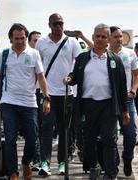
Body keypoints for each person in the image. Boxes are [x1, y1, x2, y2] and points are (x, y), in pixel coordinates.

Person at [64, 23, 129, 180]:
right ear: (92, 38)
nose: (99, 39)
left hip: (108, 106)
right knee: (88, 141)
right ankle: (94, 167)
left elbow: (121, 87)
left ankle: (111, 173)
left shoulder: (116, 60)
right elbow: (75, 76)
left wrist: (125, 110)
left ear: (108, 40)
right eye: (97, 36)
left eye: (103, 37)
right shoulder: (82, 58)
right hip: (88, 105)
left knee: (109, 140)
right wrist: (69, 79)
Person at [0, 23, 50, 180]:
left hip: (29, 103)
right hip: (8, 102)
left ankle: (25, 163)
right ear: (11, 38)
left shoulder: (34, 53)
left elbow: (41, 77)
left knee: (32, 139)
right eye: (16, 38)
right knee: (10, 138)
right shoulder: (4, 54)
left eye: (23, 38)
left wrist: (46, 98)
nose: (20, 41)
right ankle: (13, 172)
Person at [35, 13, 81, 176]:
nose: (58, 27)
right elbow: (36, 68)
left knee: (64, 130)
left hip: (67, 94)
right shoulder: (41, 43)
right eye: (55, 24)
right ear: (49, 25)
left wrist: (72, 77)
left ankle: (62, 162)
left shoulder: (72, 42)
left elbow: (80, 62)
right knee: (46, 127)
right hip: (47, 93)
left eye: (60, 23)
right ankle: (45, 162)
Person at [109, 26, 138, 177]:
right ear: (109, 39)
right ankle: (113, 165)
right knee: (109, 135)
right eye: (115, 37)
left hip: (127, 100)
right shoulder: (104, 55)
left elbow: (137, 74)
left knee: (130, 134)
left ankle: (127, 160)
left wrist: (133, 90)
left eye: (121, 36)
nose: (119, 39)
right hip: (108, 101)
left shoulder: (130, 53)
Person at [28, 30, 43, 170]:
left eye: (40, 40)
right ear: (29, 42)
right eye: (35, 41)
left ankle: (42, 159)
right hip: (30, 96)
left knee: (43, 128)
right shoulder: (26, 56)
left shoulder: (43, 55)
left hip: (44, 94)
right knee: (34, 129)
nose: (38, 43)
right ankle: (36, 159)